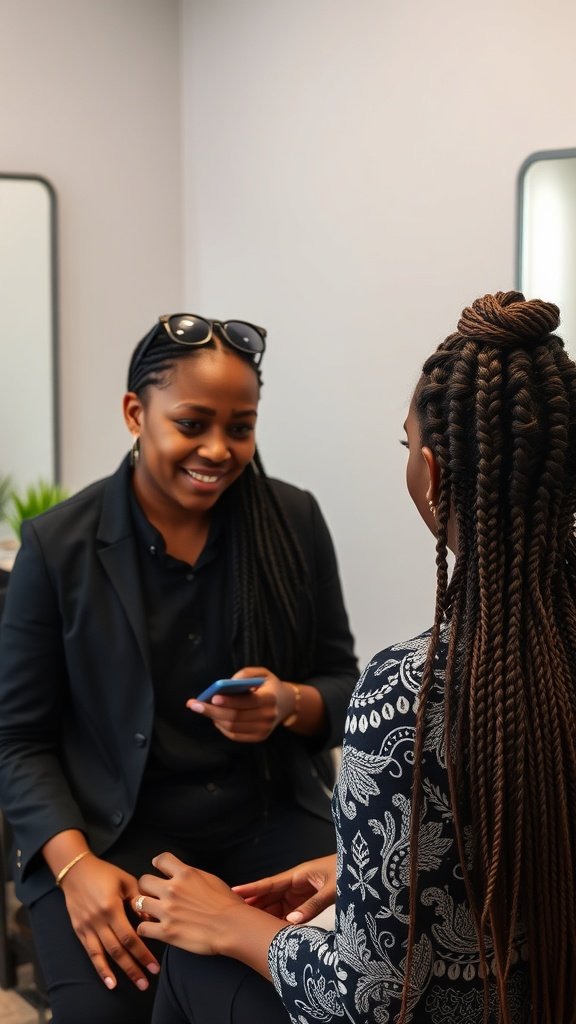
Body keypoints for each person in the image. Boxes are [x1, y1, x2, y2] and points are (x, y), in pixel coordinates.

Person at [135, 292, 576, 1024]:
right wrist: (364, 869)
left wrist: (237, 928)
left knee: (189, 960)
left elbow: (368, 1002)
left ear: (431, 475)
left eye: (407, 449)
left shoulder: (409, 694)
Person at [0, 313, 358, 1024]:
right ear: (136, 413)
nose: (219, 450)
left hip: (268, 823)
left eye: (241, 426)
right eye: (192, 424)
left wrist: (288, 702)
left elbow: (342, 685)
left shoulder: (294, 521)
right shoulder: (58, 546)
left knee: (331, 997)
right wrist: (74, 871)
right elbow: (19, 740)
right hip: (110, 837)